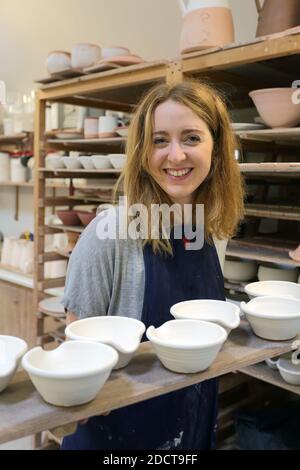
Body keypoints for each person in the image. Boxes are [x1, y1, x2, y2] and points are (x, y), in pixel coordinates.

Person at [60, 79, 244, 450]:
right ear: (142, 152)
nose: (175, 156)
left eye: (191, 138)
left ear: (217, 149)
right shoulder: (107, 234)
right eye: (160, 140)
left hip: (191, 417)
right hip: (119, 435)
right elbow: (77, 351)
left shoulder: (209, 230)